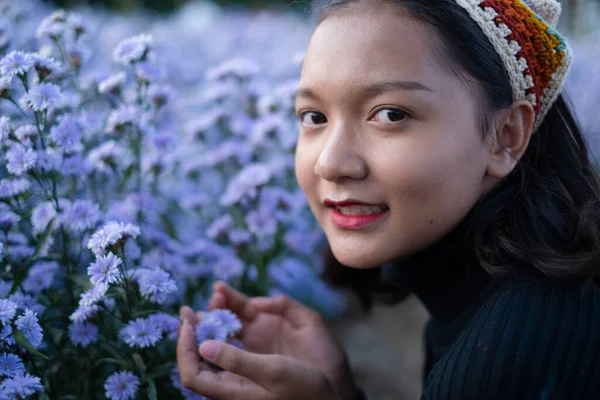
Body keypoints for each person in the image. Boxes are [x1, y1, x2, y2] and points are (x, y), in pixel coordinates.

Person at [176, 0, 600, 398]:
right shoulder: (499, 298)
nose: (330, 163)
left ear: (506, 136)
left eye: (390, 114)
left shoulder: (522, 341)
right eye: (314, 117)